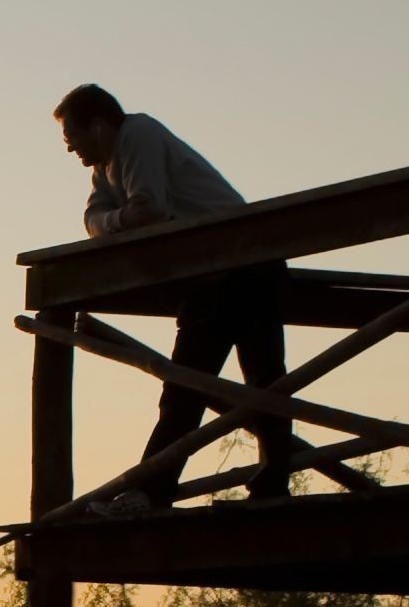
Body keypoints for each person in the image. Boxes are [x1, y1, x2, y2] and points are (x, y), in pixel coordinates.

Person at [57, 82, 277, 499]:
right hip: (213, 272)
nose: (70, 148)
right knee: (227, 384)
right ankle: (258, 483)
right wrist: (121, 219)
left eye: (73, 137)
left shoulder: (138, 135)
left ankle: (154, 491)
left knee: (229, 384)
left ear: (98, 126)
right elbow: (93, 220)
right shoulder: (104, 168)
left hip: (239, 265)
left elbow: (149, 208)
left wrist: (117, 220)